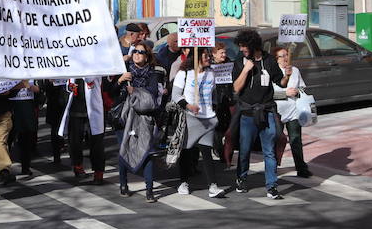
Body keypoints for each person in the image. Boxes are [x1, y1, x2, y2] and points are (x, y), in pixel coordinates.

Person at [231, 29, 284, 199]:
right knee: (245, 149)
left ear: (254, 46)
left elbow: (280, 82)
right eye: (240, 47)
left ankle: (272, 186)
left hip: (266, 111)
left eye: (244, 47)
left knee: (269, 150)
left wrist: (288, 75)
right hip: (247, 113)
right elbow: (236, 88)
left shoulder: (269, 60)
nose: (241, 50)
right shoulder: (240, 61)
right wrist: (246, 70)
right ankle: (241, 177)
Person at [115, 40, 166, 202]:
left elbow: (151, 96)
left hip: (144, 119)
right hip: (123, 118)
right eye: (135, 52)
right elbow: (110, 92)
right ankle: (123, 184)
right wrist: (119, 80)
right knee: (125, 150)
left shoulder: (153, 73)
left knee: (147, 153)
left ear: (147, 56)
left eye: (141, 52)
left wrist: (134, 91)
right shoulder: (123, 71)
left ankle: (149, 190)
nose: (137, 55)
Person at [171, 48, 225, 198]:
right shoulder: (184, 73)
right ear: (197, 57)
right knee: (187, 152)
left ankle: (213, 186)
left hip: (208, 118)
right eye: (205, 55)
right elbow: (175, 95)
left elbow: (213, 93)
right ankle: (183, 182)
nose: (208, 58)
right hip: (190, 118)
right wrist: (188, 105)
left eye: (209, 55)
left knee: (206, 151)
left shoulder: (211, 72)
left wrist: (213, 106)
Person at [59, 76, 106, 184]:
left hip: (93, 111)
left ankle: (98, 172)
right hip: (75, 110)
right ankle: (77, 165)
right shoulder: (74, 66)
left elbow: (90, 79)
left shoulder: (93, 67)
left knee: (96, 144)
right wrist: (69, 87)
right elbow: (66, 83)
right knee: (74, 142)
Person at [274, 47, 312, 178]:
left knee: (296, 140)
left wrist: (298, 91)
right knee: (277, 140)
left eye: (286, 55)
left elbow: (302, 86)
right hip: (277, 112)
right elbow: (267, 94)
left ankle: (301, 168)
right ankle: (273, 167)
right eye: (282, 56)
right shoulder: (273, 71)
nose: (285, 58)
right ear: (276, 59)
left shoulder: (295, 70)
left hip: (294, 111)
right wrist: (285, 93)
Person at [9, 80, 41, 178]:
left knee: (26, 137)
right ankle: (4, 169)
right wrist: (21, 85)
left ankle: (25, 167)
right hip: (11, 106)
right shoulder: (8, 70)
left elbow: (38, 88)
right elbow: (3, 89)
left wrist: (32, 87)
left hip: (27, 106)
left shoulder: (31, 72)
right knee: (7, 138)